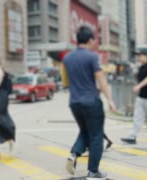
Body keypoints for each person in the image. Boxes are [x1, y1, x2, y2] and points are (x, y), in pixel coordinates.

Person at [63, 26, 116, 180]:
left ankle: (74, 154)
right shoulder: (92, 57)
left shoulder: (67, 58)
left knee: (85, 131)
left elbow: (66, 81)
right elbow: (101, 80)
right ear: (90, 40)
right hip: (91, 102)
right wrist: (110, 100)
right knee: (96, 136)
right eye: (94, 40)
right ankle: (93, 172)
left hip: (74, 103)